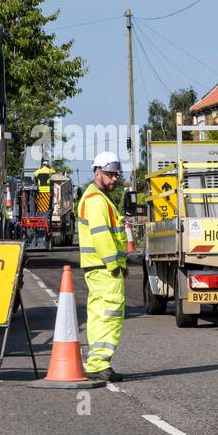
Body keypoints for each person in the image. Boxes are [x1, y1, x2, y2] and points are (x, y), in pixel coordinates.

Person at [77, 151, 128, 381]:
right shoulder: (97, 201)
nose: (114, 179)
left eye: (116, 174)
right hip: (104, 268)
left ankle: (96, 361)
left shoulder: (95, 197)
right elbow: (101, 235)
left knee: (99, 315)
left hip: (96, 267)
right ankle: (99, 363)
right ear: (97, 172)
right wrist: (114, 264)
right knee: (110, 314)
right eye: (109, 174)